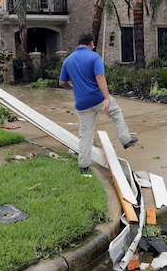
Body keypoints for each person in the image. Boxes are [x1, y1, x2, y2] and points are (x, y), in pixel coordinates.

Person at [59, 32, 138, 174]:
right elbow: (100, 77)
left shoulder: (68, 60)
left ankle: (83, 166)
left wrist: (72, 87)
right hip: (97, 98)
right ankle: (126, 139)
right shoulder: (94, 57)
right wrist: (107, 98)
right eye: (93, 44)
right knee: (115, 111)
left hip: (81, 104)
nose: (93, 46)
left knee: (85, 133)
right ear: (90, 43)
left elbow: (62, 82)